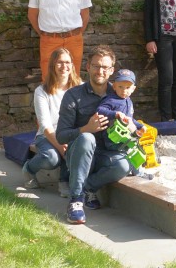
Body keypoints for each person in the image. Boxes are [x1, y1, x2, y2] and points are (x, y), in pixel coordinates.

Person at [56, 45, 132, 225]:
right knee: (87, 138)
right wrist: (86, 128)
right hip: (79, 153)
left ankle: (89, 187)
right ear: (88, 67)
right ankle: (76, 200)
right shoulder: (73, 95)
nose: (100, 71)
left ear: (111, 70)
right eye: (96, 66)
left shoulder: (121, 93)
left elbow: (130, 123)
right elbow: (61, 136)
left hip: (106, 154)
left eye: (105, 67)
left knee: (123, 165)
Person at [22, 48, 82, 196]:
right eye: (59, 62)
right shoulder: (41, 91)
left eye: (67, 62)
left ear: (72, 65)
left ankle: (64, 182)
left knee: (74, 146)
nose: (64, 66)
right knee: (51, 158)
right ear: (53, 66)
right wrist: (61, 146)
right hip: (47, 135)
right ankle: (29, 169)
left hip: (72, 133)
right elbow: (45, 125)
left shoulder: (80, 87)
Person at [97, 68, 144, 151]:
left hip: (126, 136)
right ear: (114, 86)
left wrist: (140, 126)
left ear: (133, 89)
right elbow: (100, 109)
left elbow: (130, 118)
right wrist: (115, 114)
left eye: (128, 87)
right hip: (112, 138)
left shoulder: (128, 101)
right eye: (120, 87)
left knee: (136, 145)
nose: (124, 90)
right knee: (128, 149)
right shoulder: (111, 99)